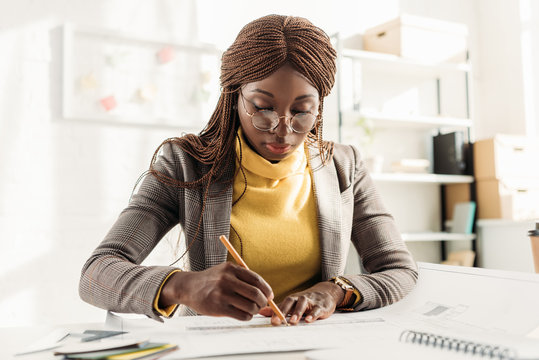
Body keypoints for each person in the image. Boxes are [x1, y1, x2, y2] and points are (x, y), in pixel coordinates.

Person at [79, 14, 418, 326]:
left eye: (302, 111)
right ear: (234, 95)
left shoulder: (345, 167)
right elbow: (96, 274)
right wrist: (182, 286)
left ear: (320, 106)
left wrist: (334, 291)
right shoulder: (185, 163)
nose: (282, 130)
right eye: (262, 107)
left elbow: (401, 271)